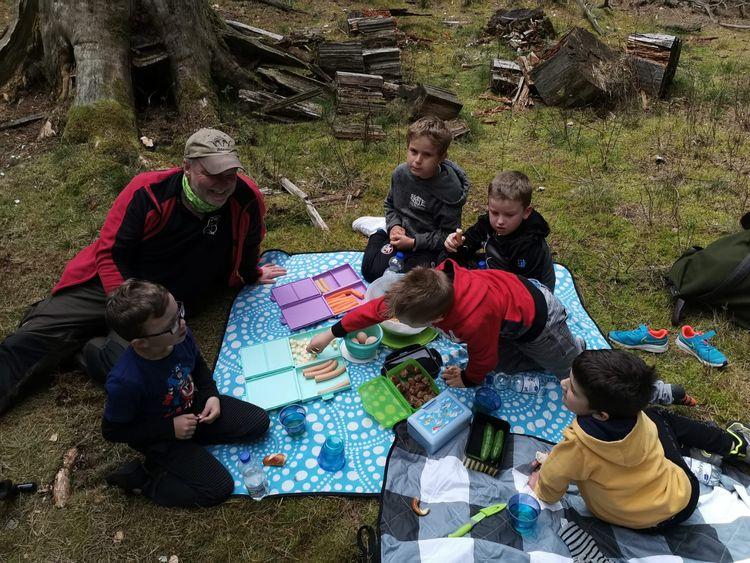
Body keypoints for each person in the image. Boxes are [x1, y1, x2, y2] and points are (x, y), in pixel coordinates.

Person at [0, 128, 286, 415]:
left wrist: (250, 273)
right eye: (212, 174)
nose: (224, 185)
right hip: (112, 283)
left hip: (165, 308)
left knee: (152, 376)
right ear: (187, 166)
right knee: (32, 338)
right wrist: (126, 309)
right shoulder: (147, 192)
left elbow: (250, 240)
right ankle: (74, 332)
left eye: (230, 175)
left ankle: (87, 350)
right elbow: (111, 252)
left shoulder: (245, 198)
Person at [528, 349, 749, 531]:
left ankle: (725, 447)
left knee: (656, 415)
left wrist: (540, 483)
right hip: (681, 500)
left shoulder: (574, 447)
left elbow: (550, 487)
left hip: (636, 521)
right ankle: (730, 444)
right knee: (656, 415)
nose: (564, 384)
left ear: (601, 415)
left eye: (573, 390)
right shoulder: (637, 415)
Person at [101, 279, 269, 507]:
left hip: (192, 408)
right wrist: (170, 429)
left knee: (257, 422)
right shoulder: (126, 381)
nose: (181, 323)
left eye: (178, 311)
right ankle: (145, 479)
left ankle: (196, 441)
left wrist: (211, 395)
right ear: (141, 344)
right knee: (218, 488)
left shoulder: (179, 335)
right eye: (171, 324)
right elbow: (112, 431)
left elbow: (197, 363)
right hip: (160, 436)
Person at [309, 259, 583, 387]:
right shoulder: (431, 287)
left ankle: (573, 347)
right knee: (503, 363)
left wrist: (469, 378)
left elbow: (483, 358)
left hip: (539, 321)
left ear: (438, 320)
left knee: (570, 372)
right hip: (505, 315)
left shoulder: (473, 321)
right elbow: (376, 309)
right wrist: (332, 333)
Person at [360, 116, 469, 282]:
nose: (417, 161)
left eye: (427, 155)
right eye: (413, 151)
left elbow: (447, 234)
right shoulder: (400, 174)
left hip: (427, 246)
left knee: (417, 282)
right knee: (371, 271)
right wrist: (394, 226)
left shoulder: (450, 191)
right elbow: (391, 205)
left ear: (442, 157)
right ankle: (380, 231)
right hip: (402, 235)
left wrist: (413, 242)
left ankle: (387, 236)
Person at [444, 170, 556, 291]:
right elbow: (470, 241)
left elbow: (527, 291)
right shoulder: (488, 222)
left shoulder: (529, 243)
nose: (500, 221)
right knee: (448, 265)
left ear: (526, 212)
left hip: (529, 290)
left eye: (509, 215)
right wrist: (456, 244)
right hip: (500, 271)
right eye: (494, 212)